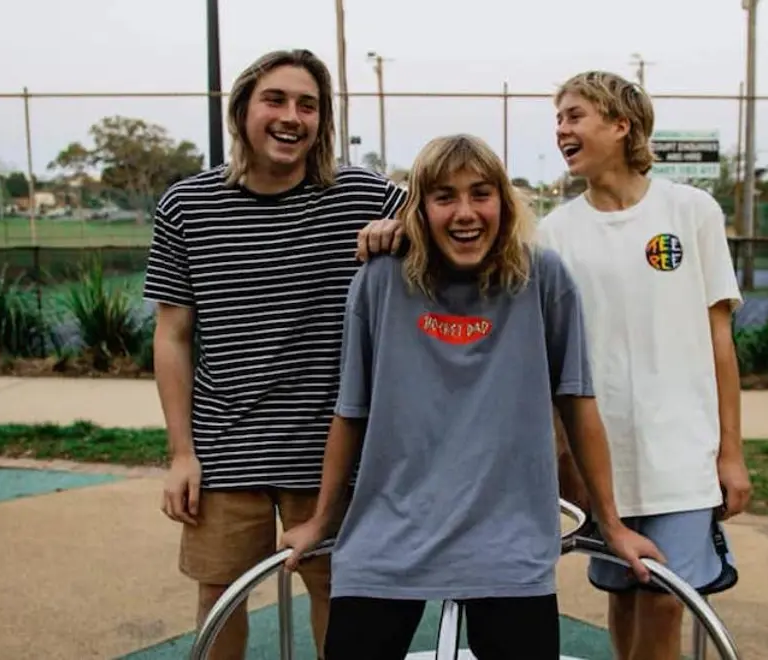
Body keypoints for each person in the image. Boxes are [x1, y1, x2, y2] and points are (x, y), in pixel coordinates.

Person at [280, 133, 665, 660]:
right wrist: (322, 521)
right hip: (388, 537)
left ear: (504, 202)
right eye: (444, 197)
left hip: (507, 543)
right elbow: (351, 412)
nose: (465, 213)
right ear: (420, 209)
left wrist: (612, 524)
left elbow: (578, 405)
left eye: (481, 193)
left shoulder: (542, 279)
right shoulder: (380, 281)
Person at [143, 49, 406, 660]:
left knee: (341, 592)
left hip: (331, 447)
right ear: (243, 110)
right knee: (220, 596)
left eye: (308, 105)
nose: (292, 116)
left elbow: (451, 213)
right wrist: (181, 453)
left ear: (322, 120)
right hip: (225, 445)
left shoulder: (361, 195)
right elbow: (173, 335)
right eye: (276, 100)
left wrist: (405, 227)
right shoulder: (187, 205)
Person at [537, 70, 753, 660]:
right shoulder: (554, 234)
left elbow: (720, 340)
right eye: (558, 119)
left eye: (575, 116)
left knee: (663, 599)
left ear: (620, 124)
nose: (561, 130)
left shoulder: (691, 211)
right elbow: (552, 362)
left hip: (682, 456)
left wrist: (731, 453)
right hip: (601, 458)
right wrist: (564, 457)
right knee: (626, 593)